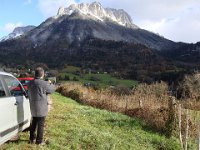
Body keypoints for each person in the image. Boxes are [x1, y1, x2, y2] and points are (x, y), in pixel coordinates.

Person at [28, 67, 55, 145]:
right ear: (42, 74)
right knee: (41, 124)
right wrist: (51, 83)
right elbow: (52, 90)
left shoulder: (29, 83)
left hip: (33, 107)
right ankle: (39, 141)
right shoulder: (44, 83)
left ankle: (31, 139)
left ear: (35, 74)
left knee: (33, 123)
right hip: (41, 108)